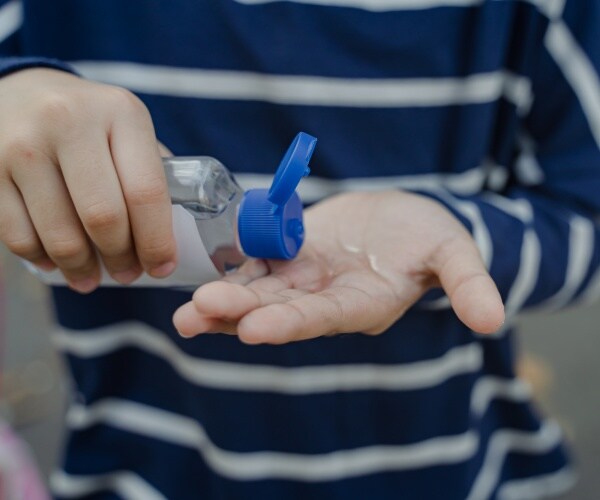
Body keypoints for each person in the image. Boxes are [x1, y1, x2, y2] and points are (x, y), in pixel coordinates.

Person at [0, 0, 597, 498]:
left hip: (446, 467)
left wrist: (459, 234)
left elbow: (586, 207)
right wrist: (16, 87)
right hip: (149, 469)